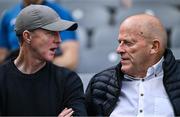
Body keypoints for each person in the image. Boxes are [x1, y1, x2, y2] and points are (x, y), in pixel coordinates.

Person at [85, 14, 180, 116]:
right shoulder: (100, 84)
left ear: (154, 47)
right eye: (119, 42)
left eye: (128, 43)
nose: (119, 50)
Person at [0, 4, 87, 116]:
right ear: (27, 36)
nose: (59, 40)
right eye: (51, 33)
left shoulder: (68, 80)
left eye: (59, 33)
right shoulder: (2, 79)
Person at [0, 0, 79, 70]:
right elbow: (2, 56)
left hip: (50, 69)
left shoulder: (62, 13)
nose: (58, 40)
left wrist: (40, 68)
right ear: (27, 36)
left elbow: (70, 60)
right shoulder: (8, 15)